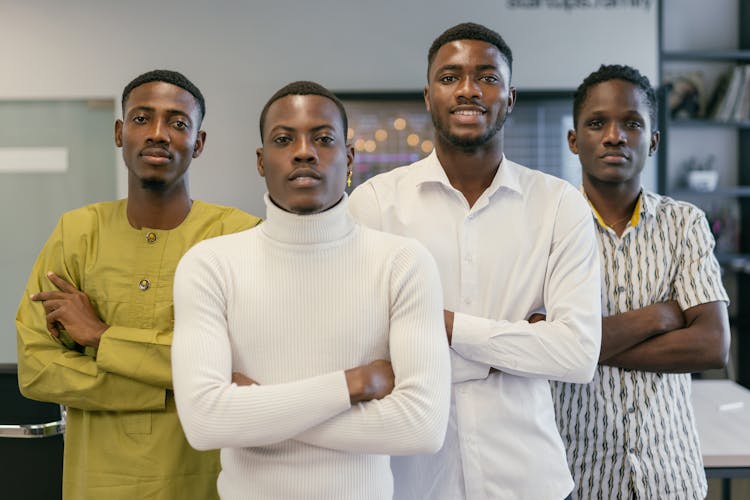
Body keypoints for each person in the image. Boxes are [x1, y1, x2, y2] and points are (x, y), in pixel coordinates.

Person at [349, 22, 602, 500]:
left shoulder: (558, 205)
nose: (468, 89)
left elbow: (576, 354)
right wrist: (516, 346)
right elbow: (362, 346)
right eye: (450, 77)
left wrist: (437, 324)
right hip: (412, 482)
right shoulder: (374, 204)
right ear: (428, 96)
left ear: (509, 98)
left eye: (487, 77)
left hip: (529, 479)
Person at [171, 80, 451, 500]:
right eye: (284, 140)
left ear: (350, 158)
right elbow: (205, 423)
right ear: (262, 161)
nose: (305, 151)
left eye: (323, 139)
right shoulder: (210, 265)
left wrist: (261, 411)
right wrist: (353, 385)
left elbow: (422, 426)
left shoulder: (402, 263)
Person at [16, 69, 262, 499]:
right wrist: (179, 386)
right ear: (119, 132)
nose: (159, 134)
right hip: (98, 483)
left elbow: (252, 364)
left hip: (207, 482)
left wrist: (101, 337)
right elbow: (38, 369)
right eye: (142, 118)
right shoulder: (76, 233)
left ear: (198, 143)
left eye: (179, 123)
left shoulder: (237, 235)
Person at [550, 64, 730, 500]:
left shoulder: (684, 223)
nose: (615, 135)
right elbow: (539, 346)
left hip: (671, 474)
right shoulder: (546, 227)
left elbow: (711, 345)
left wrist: (581, 347)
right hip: (577, 477)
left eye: (632, 123)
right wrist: (660, 316)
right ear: (574, 140)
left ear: (652, 140)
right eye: (597, 123)